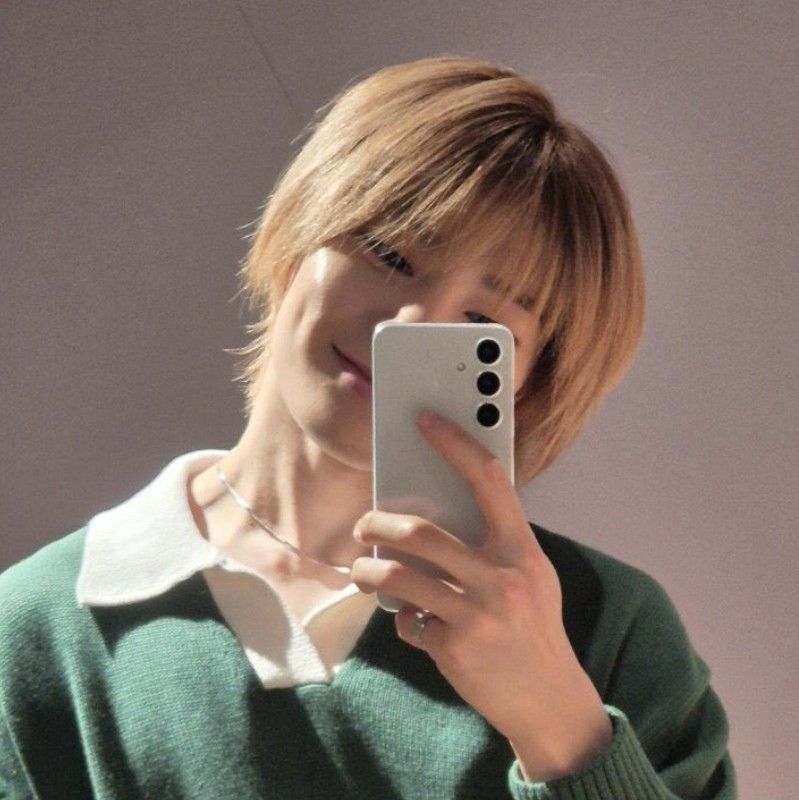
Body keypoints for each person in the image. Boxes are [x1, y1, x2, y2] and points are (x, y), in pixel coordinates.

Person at [0, 56, 737, 799]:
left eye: (482, 322)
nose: (411, 321)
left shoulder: (611, 630)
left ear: (534, 380)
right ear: (297, 237)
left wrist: (561, 727)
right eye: (389, 253)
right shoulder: (36, 632)